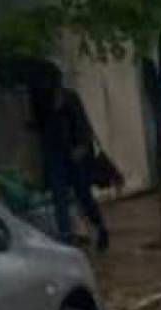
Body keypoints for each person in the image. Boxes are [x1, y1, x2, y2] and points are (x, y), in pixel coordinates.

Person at [32, 77, 110, 251]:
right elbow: (40, 126)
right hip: (55, 155)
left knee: (84, 196)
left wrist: (81, 147)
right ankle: (67, 239)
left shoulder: (70, 97)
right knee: (60, 198)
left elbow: (83, 125)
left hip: (75, 154)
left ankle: (100, 228)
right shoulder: (39, 100)